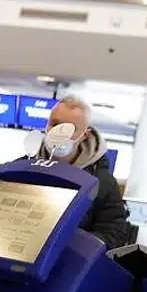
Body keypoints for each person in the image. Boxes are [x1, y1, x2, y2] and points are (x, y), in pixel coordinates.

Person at [38, 96, 134, 248]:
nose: (59, 133)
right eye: (55, 124)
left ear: (85, 134)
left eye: (70, 128)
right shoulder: (22, 167)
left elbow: (114, 232)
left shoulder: (102, 182)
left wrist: (71, 244)